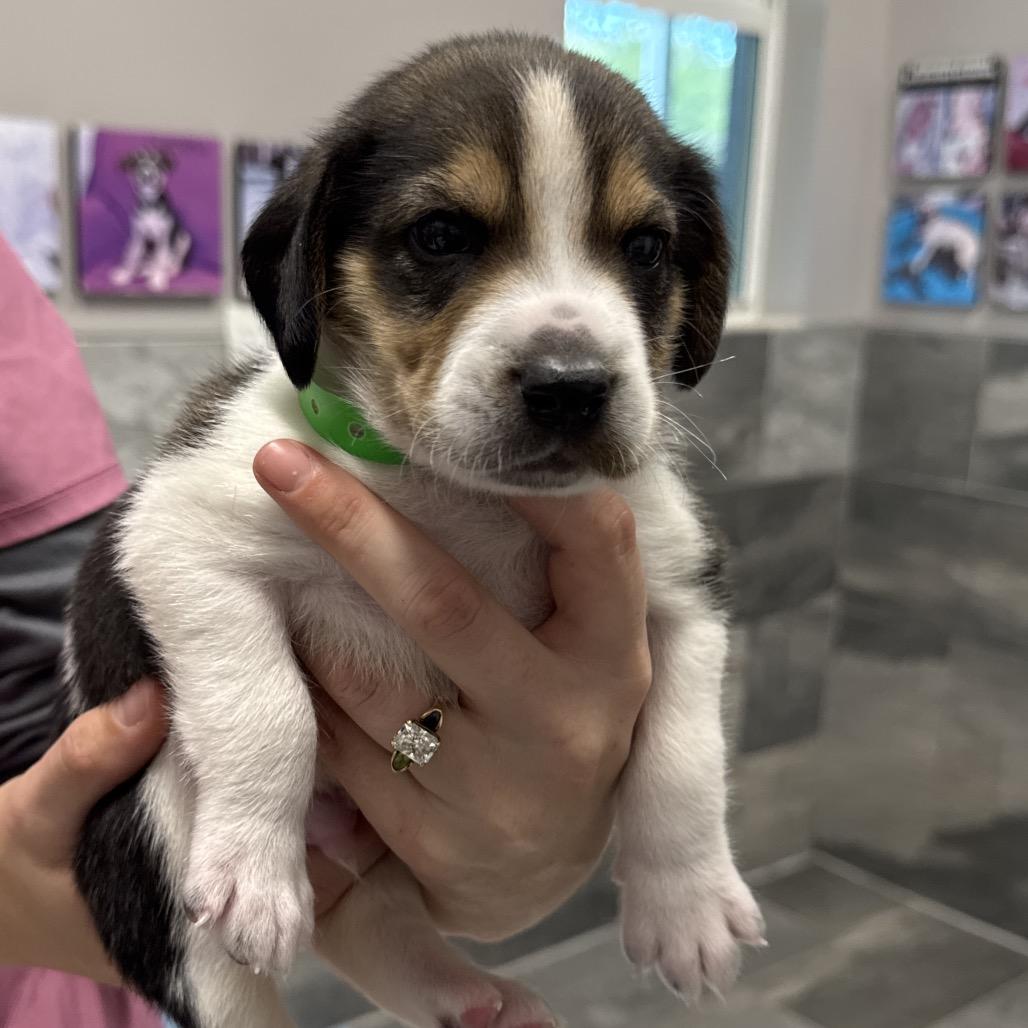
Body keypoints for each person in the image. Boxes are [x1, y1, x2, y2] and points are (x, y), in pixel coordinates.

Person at [0, 234, 652, 1023]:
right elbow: (157, 558)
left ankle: (399, 958)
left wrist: (525, 833)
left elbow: (52, 659)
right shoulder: (279, 427)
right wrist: (256, 790)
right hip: (125, 888)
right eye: (441, 240)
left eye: (642, 251)